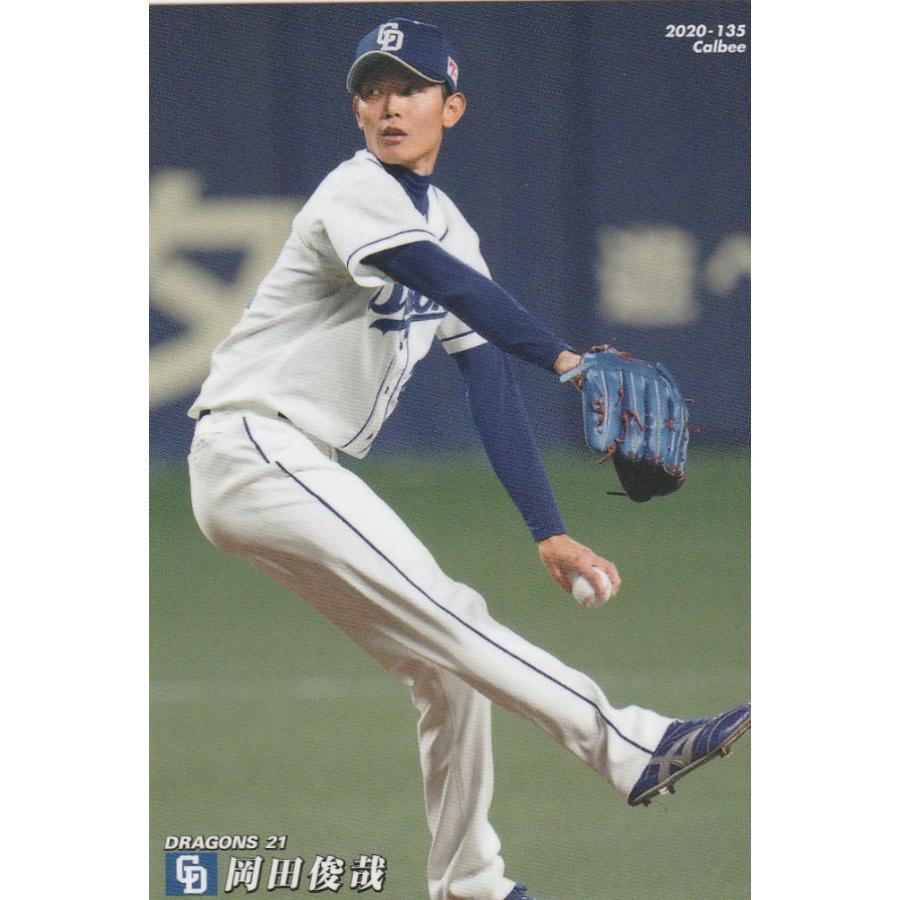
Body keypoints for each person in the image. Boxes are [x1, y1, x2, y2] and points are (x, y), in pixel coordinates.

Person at [187, 19, 749, 900]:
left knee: (446, 671)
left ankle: (469, 883)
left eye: (408, 88)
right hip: (255, 447)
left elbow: (486, 378)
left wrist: (548, 530)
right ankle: (629, 743)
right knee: (455, 614)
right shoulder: (354, 191)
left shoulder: (447, 223)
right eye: (371, 90)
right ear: (356, 111)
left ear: (451, 107)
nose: (388, 106)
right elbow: (448, 284)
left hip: (283, 463)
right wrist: (567, 359)